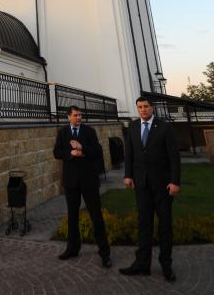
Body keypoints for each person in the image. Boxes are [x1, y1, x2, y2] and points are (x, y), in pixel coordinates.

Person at [119, 96, 180, 282]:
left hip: (163, 185)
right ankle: (142, 264)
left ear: (152, 108)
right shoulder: (134, 127)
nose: (143, 110)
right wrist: (128, 175)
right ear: (137, 109)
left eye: (146, 106)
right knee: (144, 224)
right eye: (140, 107)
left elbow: (174, 157)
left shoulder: (165, 127)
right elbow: (129, 153)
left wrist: (175, 181)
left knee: (164, 226)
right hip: (141, 185)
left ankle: (166, 264)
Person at [53, 105, 111, 267]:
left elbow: (98, 152)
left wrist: (82, 149)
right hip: (71, 182)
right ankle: (72, 248)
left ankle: (104, 252)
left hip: (89, 181)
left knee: (96, 217)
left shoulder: (89, 131)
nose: (79, 117)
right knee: (72, 217)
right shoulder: (63, 133)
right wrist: (70, 153)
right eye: (76, 115)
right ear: (68, 117)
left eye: (80, 115)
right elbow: (56, 152)